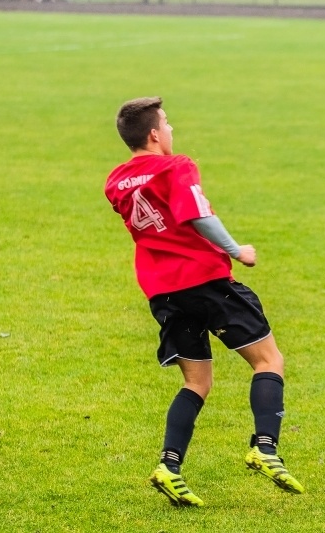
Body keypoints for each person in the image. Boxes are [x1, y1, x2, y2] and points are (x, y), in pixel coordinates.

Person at [105, 96, 304, 507]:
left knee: (197, 382)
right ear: (155, 134)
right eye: (168, 123)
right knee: (268, 361)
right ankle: (265, 449)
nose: (172, 130)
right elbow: (196, 214)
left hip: (162, 291)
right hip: (205, 280)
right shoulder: (176, 166)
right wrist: (236, 250)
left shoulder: (114, 181)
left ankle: (169, 466)